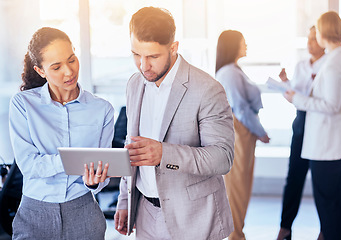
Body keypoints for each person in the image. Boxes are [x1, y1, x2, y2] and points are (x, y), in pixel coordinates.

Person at [114, 7, 235, 240]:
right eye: (136, 54)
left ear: (174, 47)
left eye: (152, 56)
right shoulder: (134, 84)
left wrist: (163, 154)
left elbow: (222, 158)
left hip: (193, 219)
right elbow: (132, 148)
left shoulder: (207, 89)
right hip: (145, 214)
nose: (143, 66)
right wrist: (125, 200)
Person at [9, 27, 114, 240]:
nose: (69, 72)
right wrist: (73, 160)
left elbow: (102, 171)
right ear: (41, 71)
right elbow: (29, 165)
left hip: (83, 211)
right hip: (35, 214)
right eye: (56, 67)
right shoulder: (23, 105)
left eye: (72, 59)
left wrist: (94, 181)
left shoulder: (102, 109)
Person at [283, 11, 341, 240]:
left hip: (328, 147)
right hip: (333, 145)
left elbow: (331, 105)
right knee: (335, 205)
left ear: (324, 32)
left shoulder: (335, 63)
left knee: (329, 208)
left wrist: (296, 98)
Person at [215, 30, 270, 240]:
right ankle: (235, 235)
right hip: (239, 135)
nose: (246, 45)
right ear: (232, 45)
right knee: (237, 188)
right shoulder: (229, 72)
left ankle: (237, 233)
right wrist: (261, 132)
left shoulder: (234, 70)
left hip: (243, 135)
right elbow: (241, 109)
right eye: (242, 42)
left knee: (241, 186)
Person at [276, 26, 326, 240]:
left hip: (321, 125)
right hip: (301, 123)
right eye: (308, 38)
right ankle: (285, 227)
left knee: (321, 180)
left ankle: (326, 229)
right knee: (294, 177)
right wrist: (285, 82)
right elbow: (295, 93)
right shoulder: (301, 65)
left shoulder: (329, 64)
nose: (310, 43)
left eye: (314, 38)